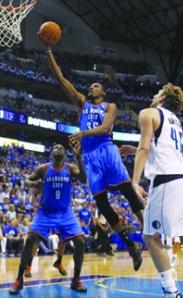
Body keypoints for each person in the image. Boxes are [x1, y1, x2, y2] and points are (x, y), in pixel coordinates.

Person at [41, 39, 145, 271]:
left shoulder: (110, 106)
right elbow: (61, 80)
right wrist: (48, 51)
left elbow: (106, 128)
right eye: (91, 87)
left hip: (106, 150)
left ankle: (148, 226)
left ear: (104, 91)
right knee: (102, 203)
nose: (91, 88)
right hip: (89, 155)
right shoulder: (82, 103)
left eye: (96, 86)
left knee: (128, 192)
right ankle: (131, 246)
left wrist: (83, 132)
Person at [122, 83, 183, 297]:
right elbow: (161, 148)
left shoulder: (148, 113)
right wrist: (133, 149)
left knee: (150, 236)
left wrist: (135, 182)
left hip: (167, 180)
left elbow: (145, 147)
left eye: (157, 92)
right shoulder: (176, 122)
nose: (154, 95)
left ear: (163, 97)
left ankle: (171, 292)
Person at [9, 144, 87, 294]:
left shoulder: (70, 168)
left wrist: (78, 156)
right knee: (31, 239)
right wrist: (33, 183)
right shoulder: (43, 169)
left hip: (65, 212)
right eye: (55, 147)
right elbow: (26, 180)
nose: (58, 147)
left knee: (81, 241)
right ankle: (19, 279)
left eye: (60, 147)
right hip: (45, 212)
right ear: (51, 154)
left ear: (64, 154)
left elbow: (83, 179)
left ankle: (76, 280)